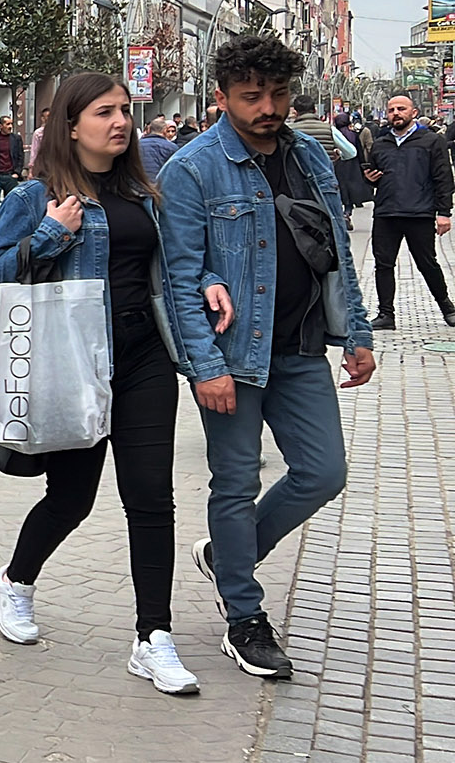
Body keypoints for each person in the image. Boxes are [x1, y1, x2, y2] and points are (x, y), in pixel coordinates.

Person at [161, 34, 374, 679]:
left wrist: (358, 333)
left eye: (278, 93)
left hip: (303, 347)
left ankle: (230, 553)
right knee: (235, 480)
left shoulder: (309, 156)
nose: (268, 107)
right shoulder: (193, 169)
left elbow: (336, 251)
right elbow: (179, 279)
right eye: (252, 96)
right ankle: (244, 615)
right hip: (234, 355)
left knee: (324, 472)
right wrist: (206, 366)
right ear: (221, 96)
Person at [0, 73, 198, 695]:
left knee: (151, 496)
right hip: (74, 361)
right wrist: (51, 232)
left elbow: (168, 267)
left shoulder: (144, 193)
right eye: (105, 112)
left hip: (145, 358)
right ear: (71, 125)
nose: (121, 122)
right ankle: (15, 581)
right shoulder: (35, 193)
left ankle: (153, 636)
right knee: (73, 496)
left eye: (125, 111)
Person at [363, 93, 455, 329]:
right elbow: (375, 176)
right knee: (383, 265)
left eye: (401, 109)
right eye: (392, 110)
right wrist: (370, 179)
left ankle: (448, 308)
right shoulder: (381, 143)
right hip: (386, 213)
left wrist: (444, 212)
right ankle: (386, 315)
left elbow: (443, 178)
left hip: (419, 212)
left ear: (413, 113)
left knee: (427, 263)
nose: (396, 114)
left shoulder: (431, 141)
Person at [27, 106, 51, 171]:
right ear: (43, 118)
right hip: (43, 165)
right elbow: (34, 151)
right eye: (48, 116)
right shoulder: (38, 133)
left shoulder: (59, 132)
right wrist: (31, 169)